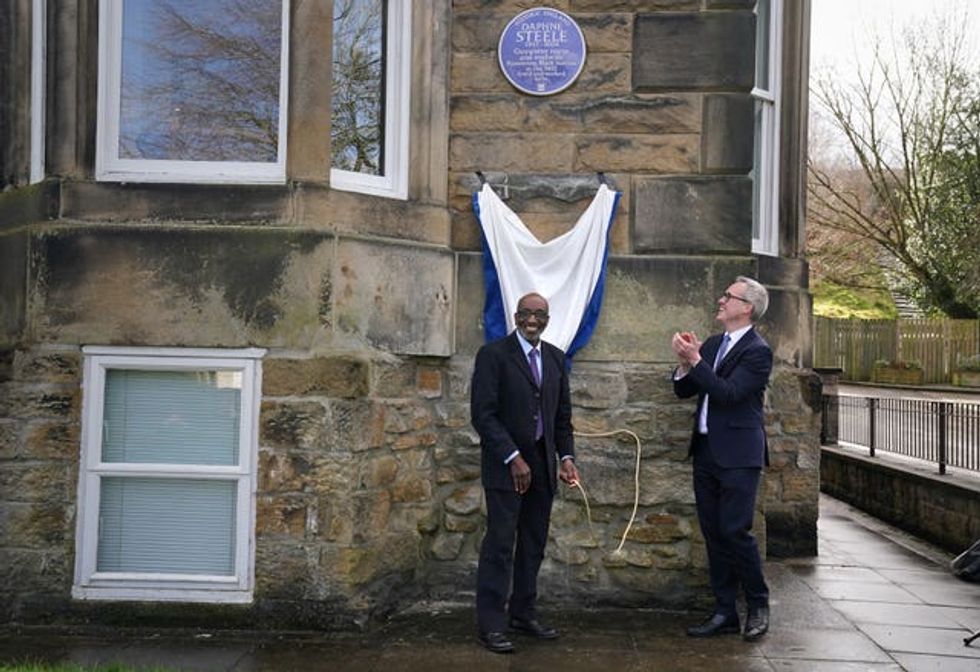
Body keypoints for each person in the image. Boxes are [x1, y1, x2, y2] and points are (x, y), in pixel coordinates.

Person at [470, 292, 579, 654]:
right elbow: (483, 415)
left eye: (540, 314)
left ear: (548, 318)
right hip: (506, 469)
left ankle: (523, 613)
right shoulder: (493, 356)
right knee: (500, 546)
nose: (532, 319)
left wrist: (566, 458)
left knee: (533, 544)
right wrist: (513, 457)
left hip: (544, 471)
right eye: (526, 313)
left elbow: (561, 419)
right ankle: (491, 624)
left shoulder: (555, 358)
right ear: (516, 316)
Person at [671, 276, 773, 642]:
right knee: (714, 534)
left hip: (739, 456)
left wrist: (697, 361)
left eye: (728, 297)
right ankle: (725, 611)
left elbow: (729, 394)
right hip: (706, 453)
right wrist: (685, 363)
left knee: (735, 531)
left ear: (746, 307)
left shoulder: (758, 351)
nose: (720, 300)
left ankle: (758, 605)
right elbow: (685, 390)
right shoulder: (715, 344)